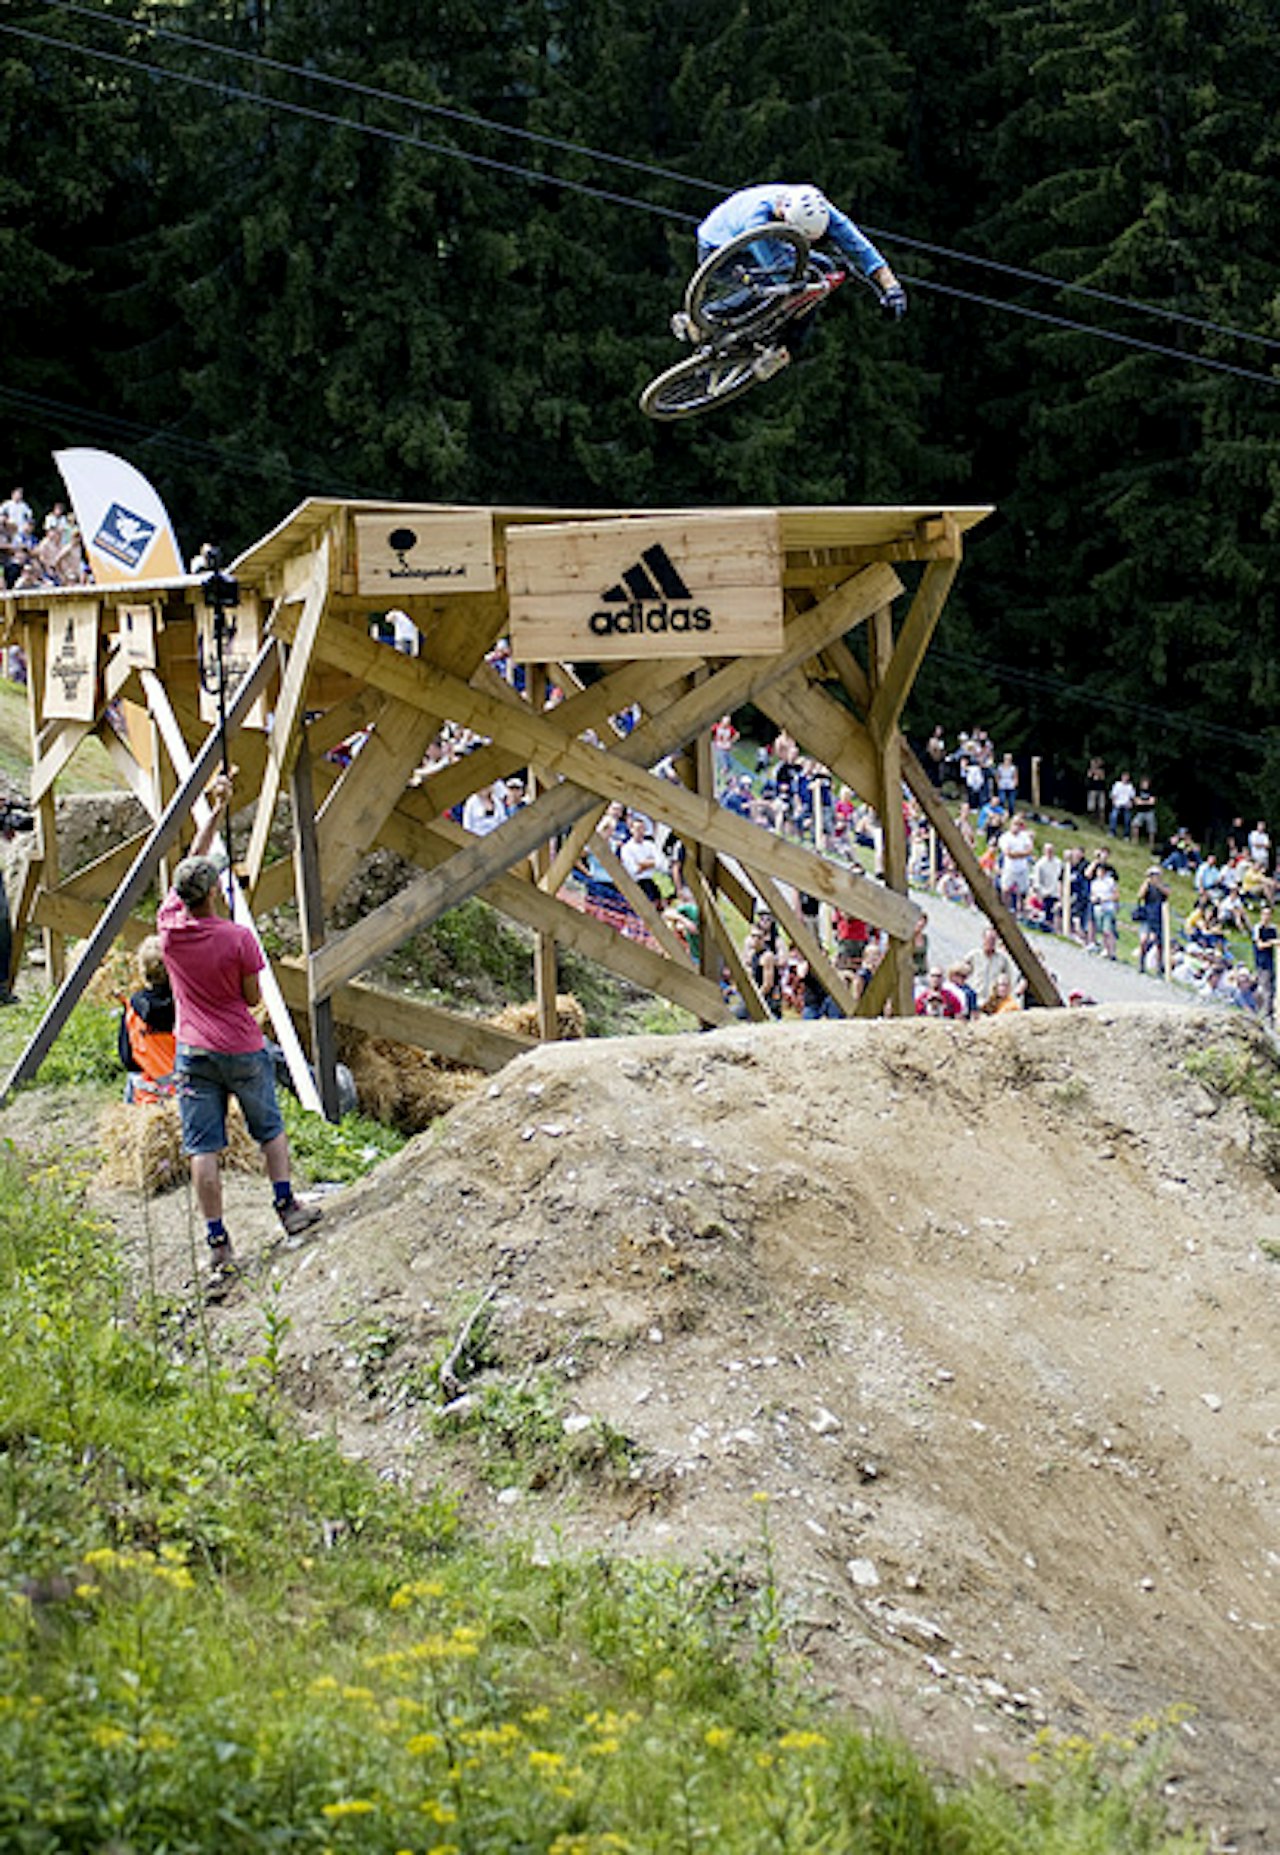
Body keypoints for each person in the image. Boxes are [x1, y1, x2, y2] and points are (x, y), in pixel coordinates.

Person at [158, 772, 320, 1282]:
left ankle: (218, 1243)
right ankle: (287, 1208)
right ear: (214, 893)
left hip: (192, 1051)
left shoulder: (168, 927)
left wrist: (213, 812)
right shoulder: (237, 938)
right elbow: (252, 998)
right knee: (268, 1130)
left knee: (203, 1147)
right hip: (241, 1047)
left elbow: (191, 869)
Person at [674, 183, 906, 368]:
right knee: (775, 287)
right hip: (719, 249)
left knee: (822, 269)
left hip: (765, 239)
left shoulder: (817, 207)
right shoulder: (757, 220)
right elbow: (780, 278)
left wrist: (891, 287)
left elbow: (859, 247)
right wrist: (798, 290)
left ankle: (782, 348)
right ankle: (704, 319)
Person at [118, 936, 178, 1104]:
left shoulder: (132, 1008)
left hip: (148, 1094)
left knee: (132, 1079)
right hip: (185, 1090)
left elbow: (127, 1059)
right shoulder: (187, 1006)